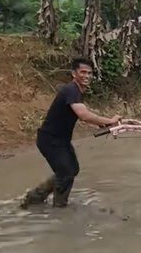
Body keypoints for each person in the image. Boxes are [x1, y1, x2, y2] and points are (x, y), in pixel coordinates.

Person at [20, 57, 121, 209]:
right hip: (50, 141)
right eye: (83, 72)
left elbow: (77, 115)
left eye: (89, 73)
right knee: (66, 173)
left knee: (72, 169)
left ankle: (36, 196)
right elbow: (83, 115)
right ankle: (59, 209)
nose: (86, 76)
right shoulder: (71, 90)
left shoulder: (75, 92)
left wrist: (102, 123)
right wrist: (109, 120)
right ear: (74, 74)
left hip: (60, 141)